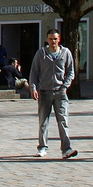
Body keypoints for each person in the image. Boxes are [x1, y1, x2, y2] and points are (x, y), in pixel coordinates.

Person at [29, 29, 77, 159]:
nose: (53, 41)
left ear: (59, 39)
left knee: (63, 121)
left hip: (60, 93)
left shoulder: (65, 53)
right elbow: (34, 72)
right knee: (43, 121)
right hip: (44, 92)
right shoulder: (41, 54)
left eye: (55, 39)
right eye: (50, 39)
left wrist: (65, 86)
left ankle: (66, 149)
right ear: (47, 40)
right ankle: (42, 147)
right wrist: (33, 88)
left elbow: (70, 71)